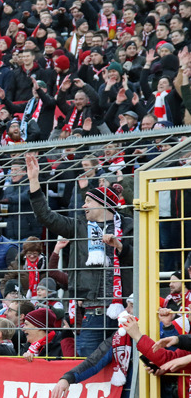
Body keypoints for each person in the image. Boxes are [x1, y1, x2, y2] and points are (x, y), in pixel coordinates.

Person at [27, 152, 133, 357]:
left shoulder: (130, 226)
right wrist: (34, 182)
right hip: (92, 312)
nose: (83, 205)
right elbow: (46, 216)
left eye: (88, 201)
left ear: (103, 204)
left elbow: (138, 260)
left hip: (126, 311)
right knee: (87, 364)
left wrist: (119, 246)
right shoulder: (78, 225)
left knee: (124, 366)